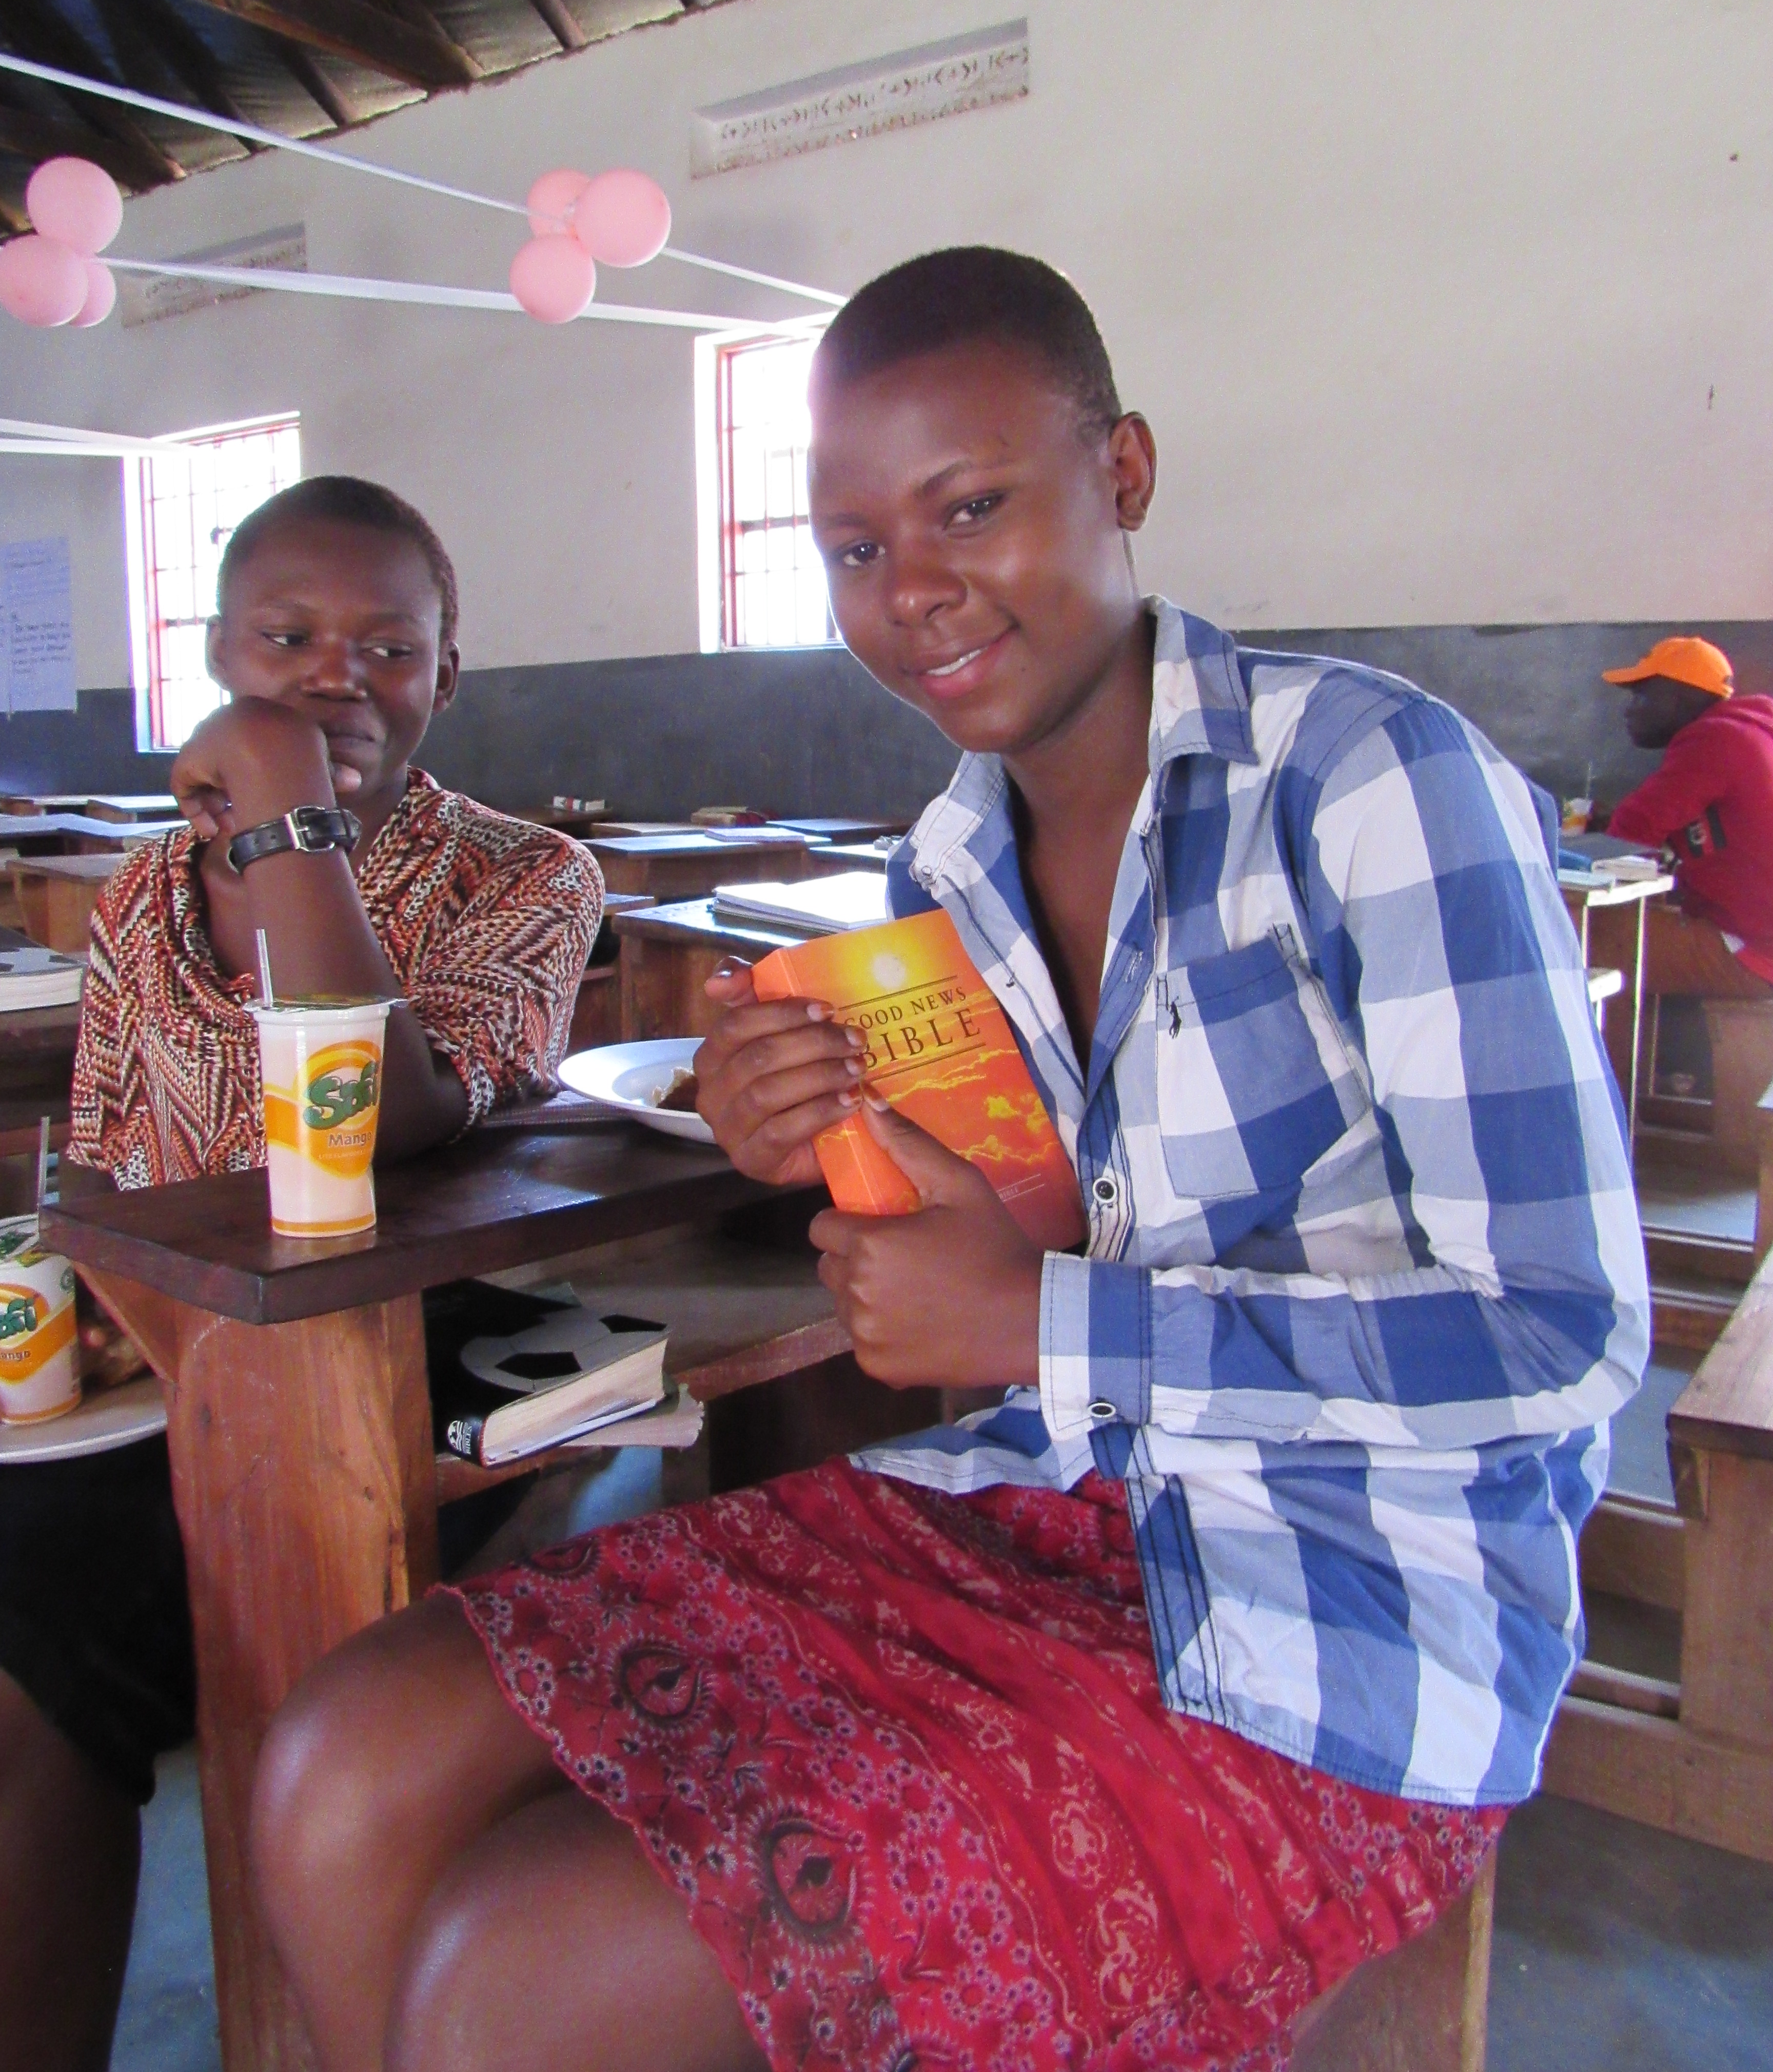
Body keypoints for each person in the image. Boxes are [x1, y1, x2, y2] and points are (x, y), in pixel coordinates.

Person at [249, 255, 1647, 2072]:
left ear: (1122, 471)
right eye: (852, 547)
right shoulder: (947, 867)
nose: (909, 591)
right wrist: (807, 1135)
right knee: (342, 1758)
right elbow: (1036, 1230)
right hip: (1035, 1499)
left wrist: (1037, 1316)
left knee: (519, 1974)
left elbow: (1557, 1334)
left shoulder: (1374, 783)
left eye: (969, 508)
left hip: (1346, 1624)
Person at [0, 476, 602, 2072]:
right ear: (215, 655)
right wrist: (78, 1328)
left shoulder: (525, 876)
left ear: (446, 677)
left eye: (388, 649)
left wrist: (288, 832)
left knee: (27, 1637)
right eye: (288, 642)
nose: (339, 680)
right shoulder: (137, 893)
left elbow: (393, 1116)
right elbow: (101, 1168)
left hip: (393, 1359)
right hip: (156, 1368)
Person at [1602, 636, 1773, 1000]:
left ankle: (1599, 1042)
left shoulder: (1717, 738)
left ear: (1677, 698)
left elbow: (1632, 831)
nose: (1629, 711)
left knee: (1589, 935)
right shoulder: (1753, 734)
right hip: (1757, 939)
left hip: (1756, 955)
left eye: (1641, 696)